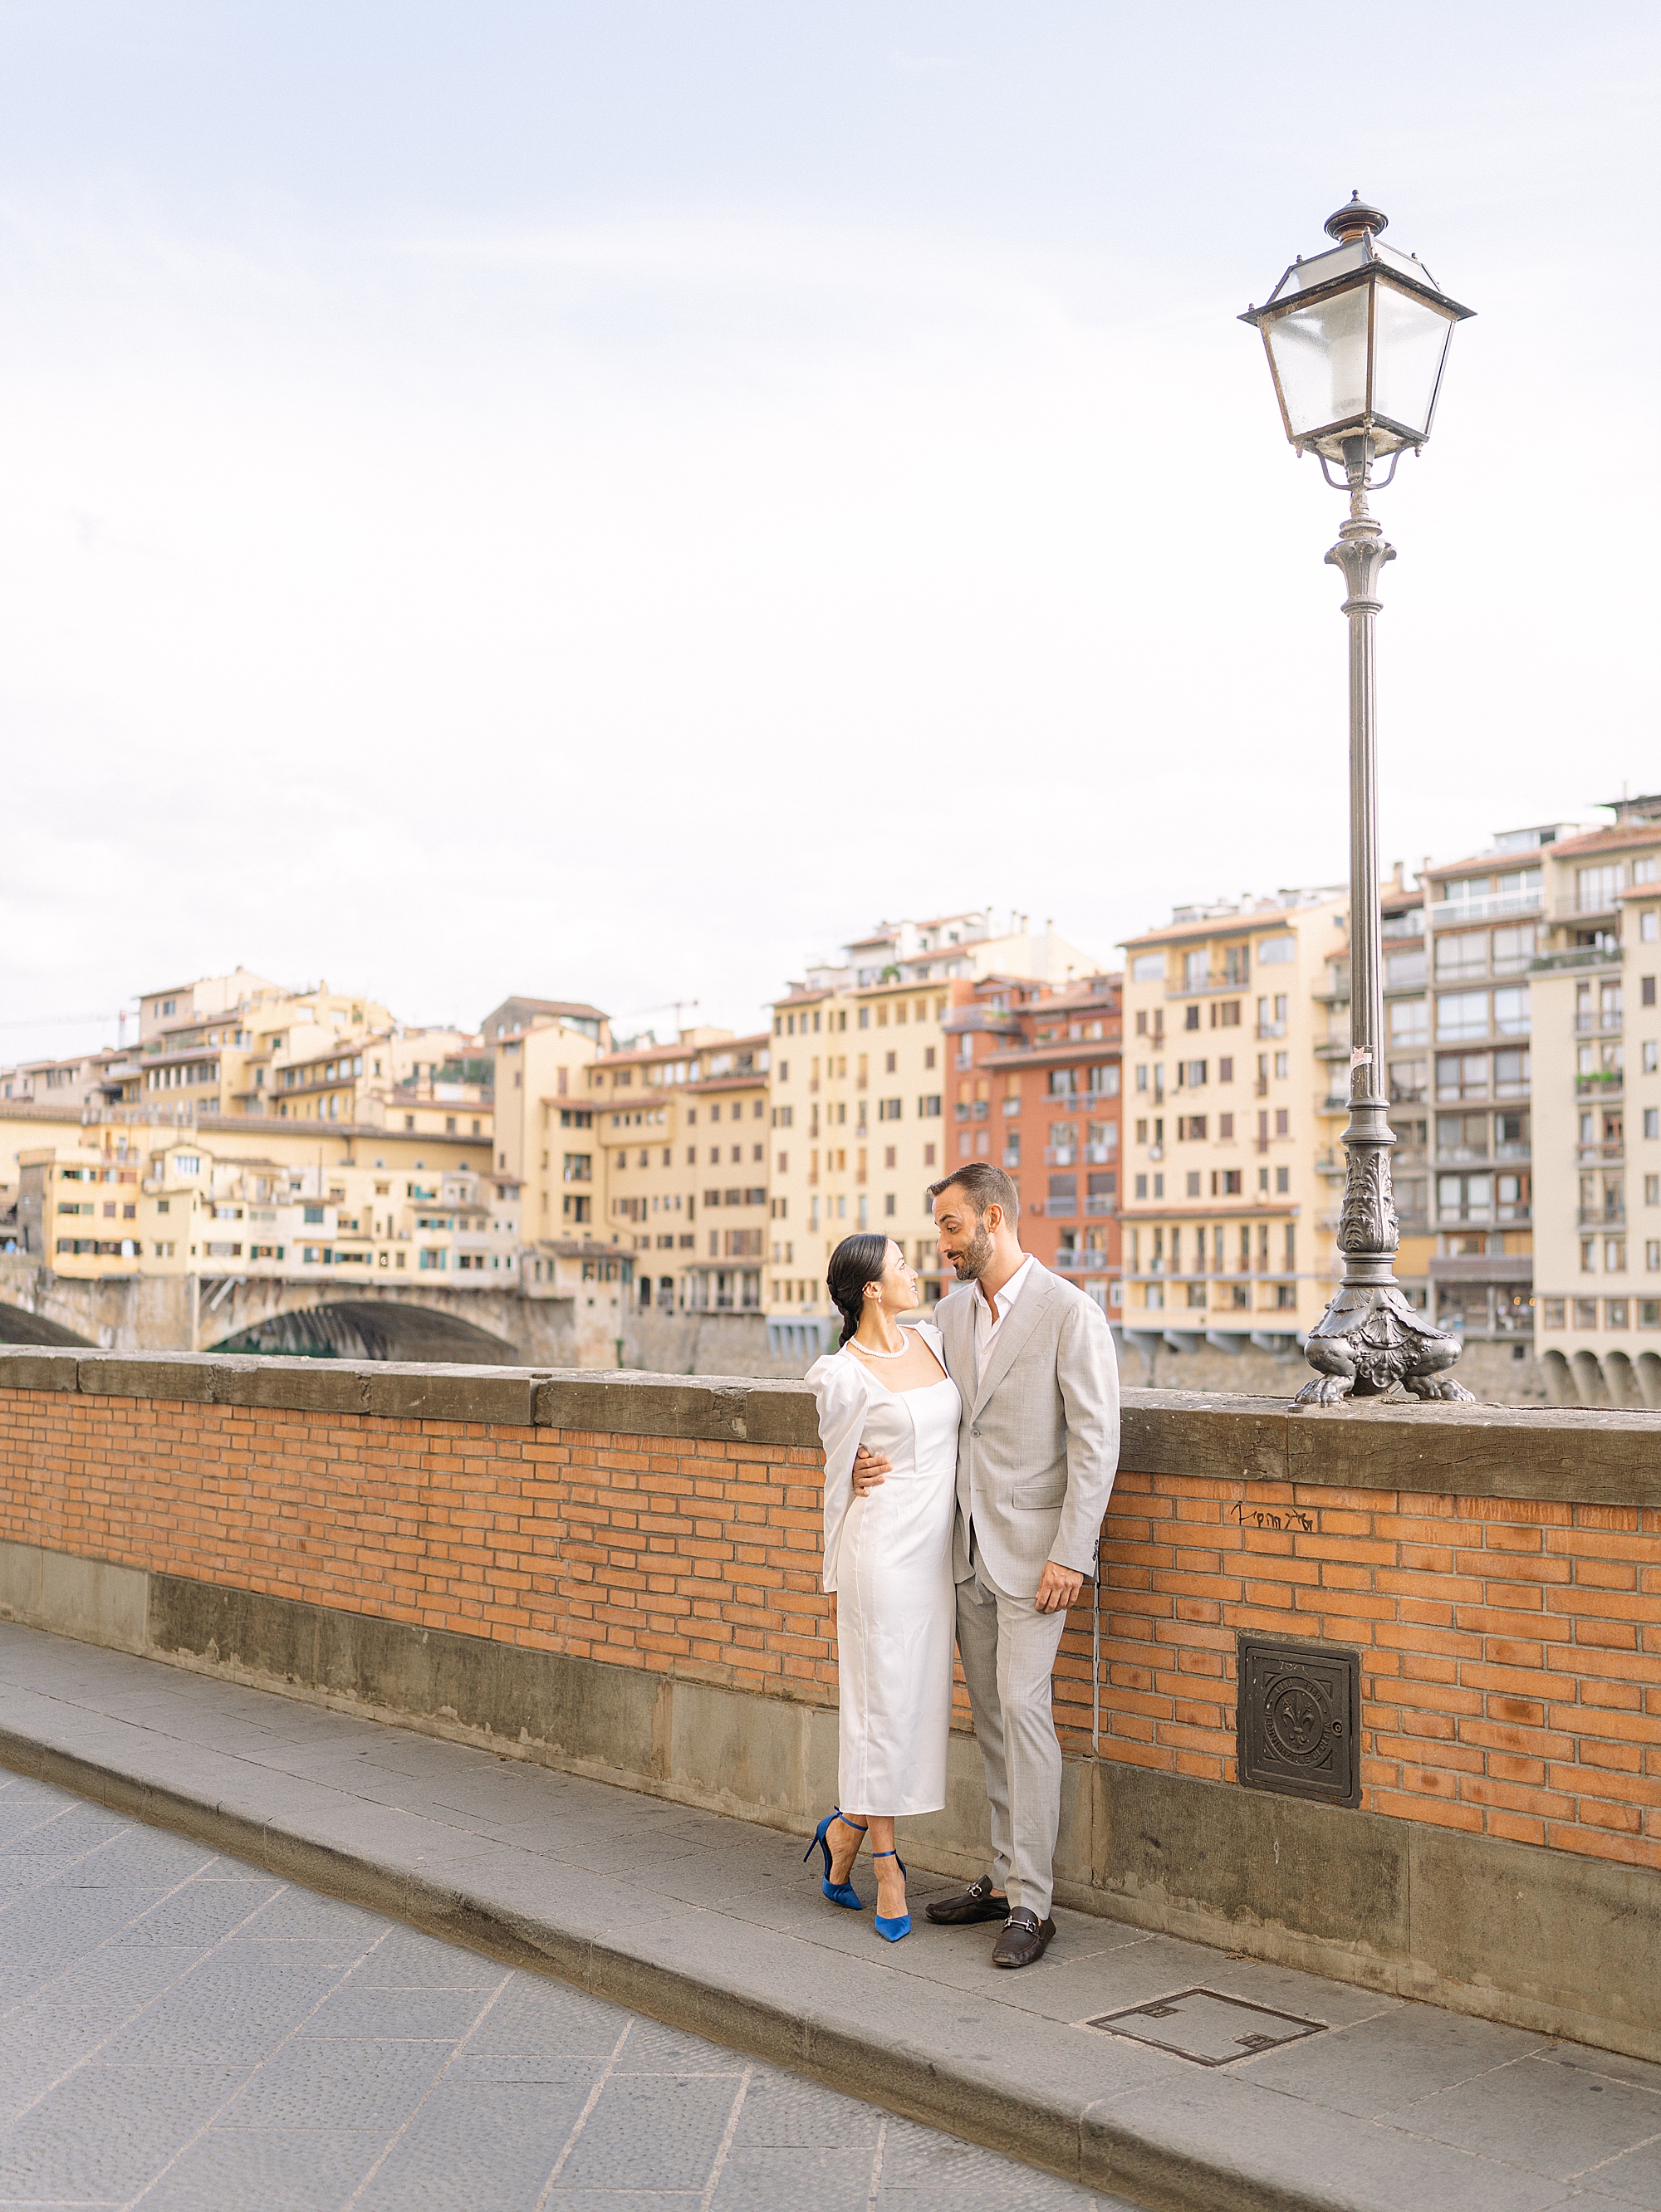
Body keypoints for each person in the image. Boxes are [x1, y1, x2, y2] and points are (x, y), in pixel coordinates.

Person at [853, 1163, 1118, 1969]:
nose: (940, 1244)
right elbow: (924, 1409)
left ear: (993, 1220)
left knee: (1024, 1710)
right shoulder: (951, 1312)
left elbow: (1095, 1440)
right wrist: (866, 1462)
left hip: (1039, 1556)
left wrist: (1072, 1550)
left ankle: (1033, 1904)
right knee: (993, 1721)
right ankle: (1002, 1878)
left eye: (949, 1227)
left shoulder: (1069, 1313)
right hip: (963, 1550)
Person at [803, 1233, 961, 1944]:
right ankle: (887, 1864)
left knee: (917, 1700)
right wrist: (834, 1574)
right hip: (881, 1555)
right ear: (870, 1286)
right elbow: (837, 1478)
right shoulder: (842, 1375)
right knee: (881, 1703)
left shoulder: (934, 1339)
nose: (912, 1270)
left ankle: (845, 1828)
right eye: (899, 1263)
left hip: (935, 1558)